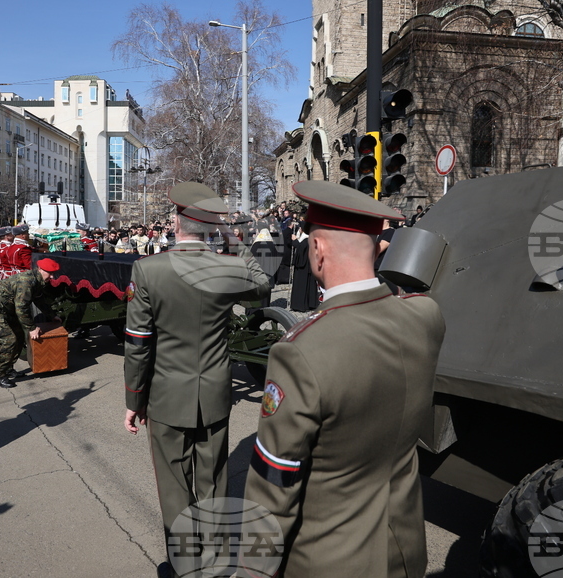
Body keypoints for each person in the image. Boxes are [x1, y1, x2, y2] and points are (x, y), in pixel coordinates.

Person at [241, 180, 446, 578]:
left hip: (330, 561)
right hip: (405, 550)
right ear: (377, 246)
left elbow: (273, 489)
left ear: (317, 250)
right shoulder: (425, 317)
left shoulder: (299, 352)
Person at [123, 181, 271, 574]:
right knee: (215, 478)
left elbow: (138, 343)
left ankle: (186, 563)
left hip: (167, 395)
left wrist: (134, 401)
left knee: (175, 484)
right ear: (209, 228)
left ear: (176, 222)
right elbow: (262, 285)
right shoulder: (227, 267)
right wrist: (234, 242)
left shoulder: (148, 269)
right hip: (216, 392)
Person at [0, 258, 63, 388]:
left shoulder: (38, 281)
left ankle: (8, 368)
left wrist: (52, 316)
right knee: (9, 339)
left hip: (7, 310)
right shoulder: (27, 282)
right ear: (40, 269)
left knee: (19, 336)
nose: (51, 276)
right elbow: (21, 307)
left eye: (53, 273)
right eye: (49, 273)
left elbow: (39, 300)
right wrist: (31, 328)